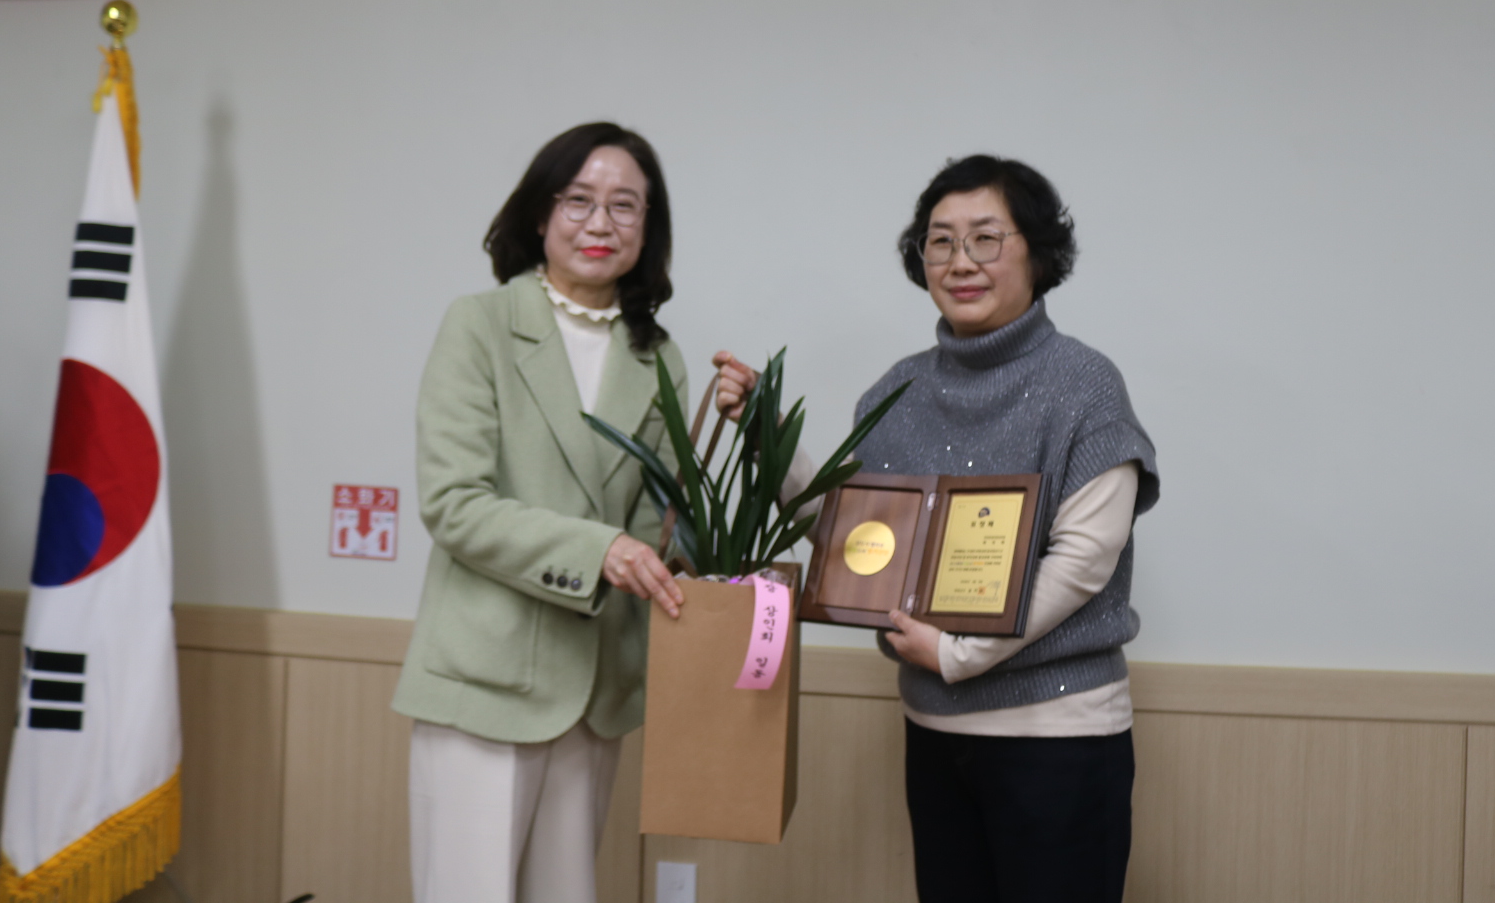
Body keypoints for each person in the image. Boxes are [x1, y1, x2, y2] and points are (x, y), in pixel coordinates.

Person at [716, 154, 1159, 903]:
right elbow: (856, 540)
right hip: (935, 728)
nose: (961, 261)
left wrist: (958, 654)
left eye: (986, 238)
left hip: (1059, 734)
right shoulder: (897, 390)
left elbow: (1085, 558)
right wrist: (768, 437)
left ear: (1038, 253)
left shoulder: (1086, 384)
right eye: (941, 241)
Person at [392, 121, 692, 903]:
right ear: (539, 213)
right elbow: (454, 504)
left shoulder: (658, 357)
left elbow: (659, 524)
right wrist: (601, 551)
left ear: (648, 228)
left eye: (624, 206)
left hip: (596, 689)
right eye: (578, 200)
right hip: (483, 678)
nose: (600, 222)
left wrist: (742, 434)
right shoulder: (479, 324)